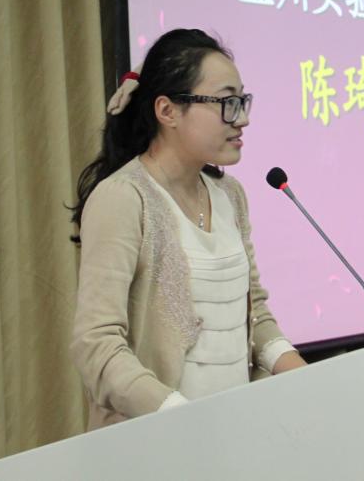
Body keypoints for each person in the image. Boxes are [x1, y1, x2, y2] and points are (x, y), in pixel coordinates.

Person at [69, 28, 305, 430]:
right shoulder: (124, 198)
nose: (242, 118)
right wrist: (181, 418)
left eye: (243, 100)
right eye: (227, 103)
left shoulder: (230, 194)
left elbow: (255, 315)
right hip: (156, 443)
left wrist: (304, 375)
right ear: (168, 111)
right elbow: (97, 346)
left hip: (235, 435)